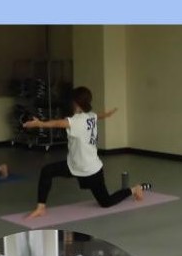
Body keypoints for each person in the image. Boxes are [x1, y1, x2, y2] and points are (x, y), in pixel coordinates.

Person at [22, 86, 148, 219]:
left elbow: (56, 123)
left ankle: (134, 189)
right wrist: (106, 115)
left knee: (106, 202)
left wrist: (39, 124)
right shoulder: (91, 115)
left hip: (90, 169)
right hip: (76, 165)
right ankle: (41, 208)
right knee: (47, 171)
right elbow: (97, 116)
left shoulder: (76, 121)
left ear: (75, 102)